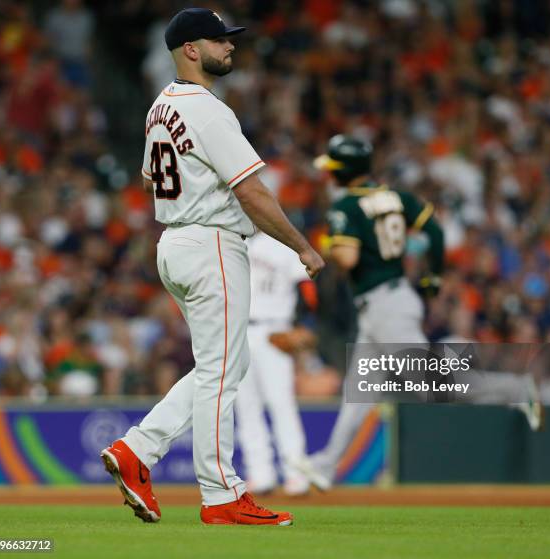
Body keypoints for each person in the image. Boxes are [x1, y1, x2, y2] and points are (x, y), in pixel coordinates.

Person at [100, 8, 324, 526]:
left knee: (221, 368)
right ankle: (222, 495)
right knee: (224, 372)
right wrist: (301, 248)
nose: (231, 46)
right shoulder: (207, 109)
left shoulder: (161, 108)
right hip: (212, 245)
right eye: (219, 40)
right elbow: (250, 191)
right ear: (191, 50)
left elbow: (150, 180)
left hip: (175, 241)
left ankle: (138, 449)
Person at [297, 134, 444, 490]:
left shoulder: (345, 207)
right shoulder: (396, 196)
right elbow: (435, 232)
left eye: (333, 166)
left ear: (344, 170)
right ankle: (327, 466)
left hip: (386, 306)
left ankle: (515, 390)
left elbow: (348, 258)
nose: (328, 173)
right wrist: (433, 277)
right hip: (387, 302)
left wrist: (327, 246)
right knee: (359, 392)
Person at [235, 230, 315, 496]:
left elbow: (308, 290)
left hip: (275, 331)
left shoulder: (285, 244)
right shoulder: (234, 241)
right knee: (246, 406)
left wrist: (304, 325)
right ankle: (261, 474)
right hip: (239, 330)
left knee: (281, 403)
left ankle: (296, 473)